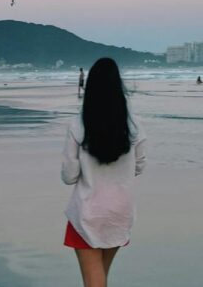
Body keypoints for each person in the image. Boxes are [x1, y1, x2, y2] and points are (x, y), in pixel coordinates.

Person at [62, 57, 146, 287]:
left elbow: (69, 176)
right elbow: (139, 167)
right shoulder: (135, 126)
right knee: (100, 276)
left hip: (88, 211)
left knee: (93, 280)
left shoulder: (78, 124)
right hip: (120, 211)